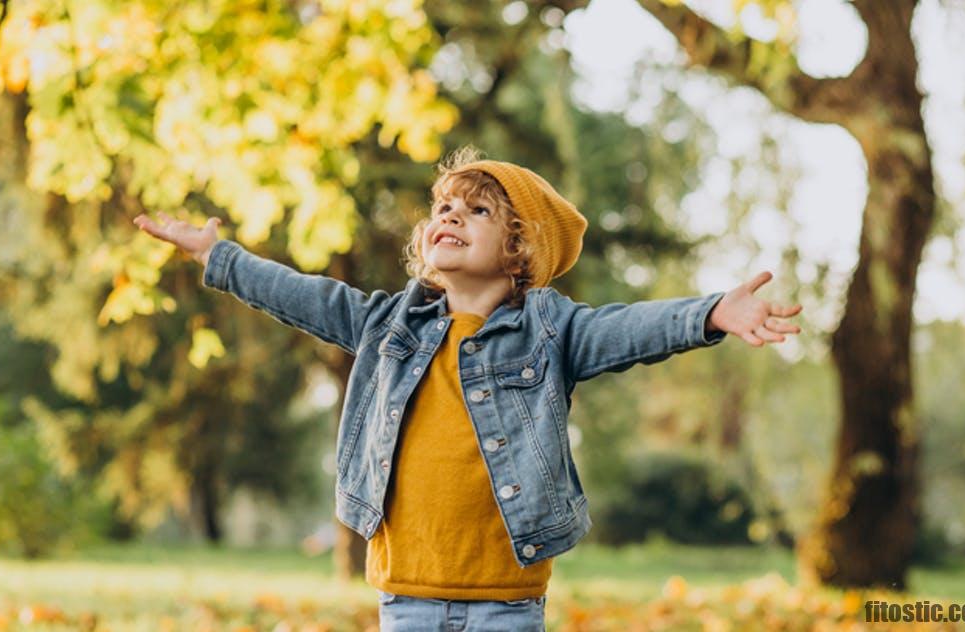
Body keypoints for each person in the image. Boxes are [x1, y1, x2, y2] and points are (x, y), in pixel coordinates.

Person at [132, 146, 802, 631]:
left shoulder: (549, 331)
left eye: (476, 210)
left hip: (506, 601)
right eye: (443, 208)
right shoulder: (387, 324)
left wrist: (710, 312)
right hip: (406, 595)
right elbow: (302, 294)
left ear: (521, 249)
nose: (448, 216)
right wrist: (217, 256)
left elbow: (626, 328)